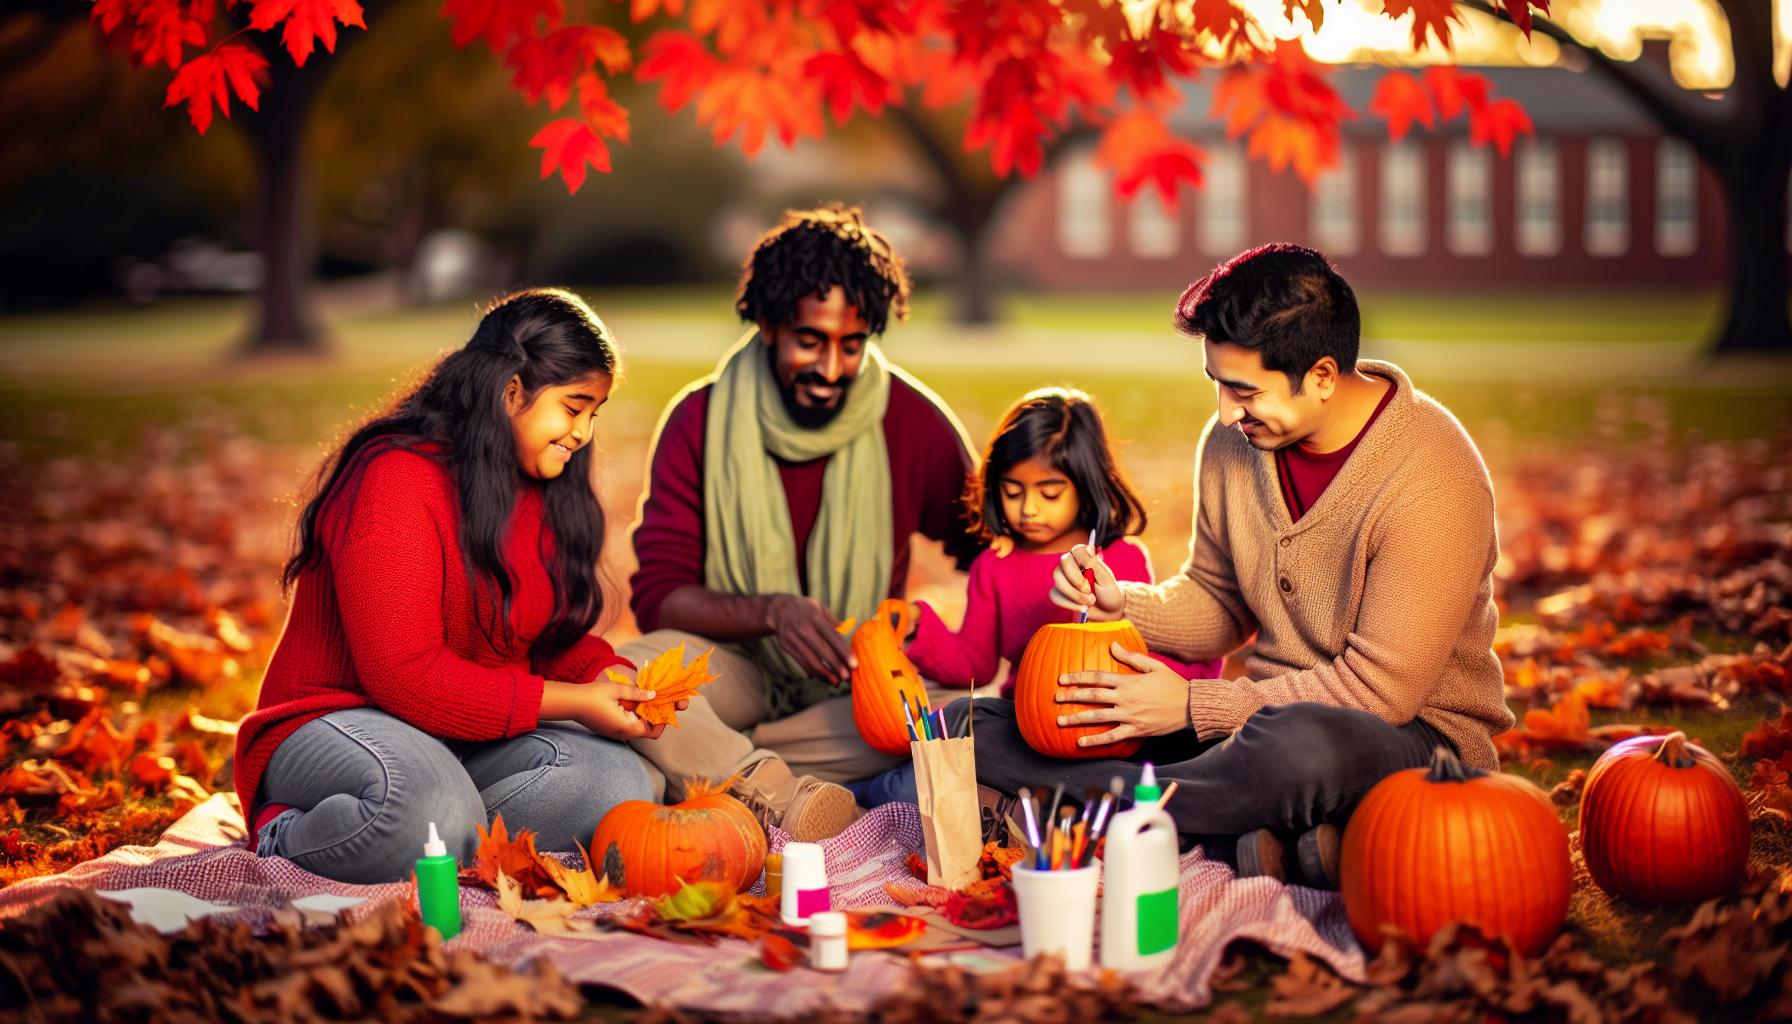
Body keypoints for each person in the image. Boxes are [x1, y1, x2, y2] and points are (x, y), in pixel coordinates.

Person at [954, 244, 1513, 888]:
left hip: (1408, 741)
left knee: (1296, 751)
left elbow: (1380, 692)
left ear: (1323, 375)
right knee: (979, 723)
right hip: (1248, 726)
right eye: (1218, 384)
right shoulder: (1233, 443)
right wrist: (1123, 605)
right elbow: (1217, 603)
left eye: (1244, 390)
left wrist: (1191, 707)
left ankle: (1090, 807)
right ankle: (1269, 835)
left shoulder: (1431, 474)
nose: (1225, 412)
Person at [236, 289, 668, 884]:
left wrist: (603, 674)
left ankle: (437, 827)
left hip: (456, 735)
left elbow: (544, 637)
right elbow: (403, 676)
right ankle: (293, 829)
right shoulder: (395, 479)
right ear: (511, 390)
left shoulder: (538, 485)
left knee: (622, 783)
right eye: (573, 408)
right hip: (339, 719)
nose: (583, 432)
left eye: (594, 413)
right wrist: (571, 703)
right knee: (426, 810)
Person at [623, 204, 980, 841]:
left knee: (972, 717)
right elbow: (659, 598)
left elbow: (991, 550)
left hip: (856, 680)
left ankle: (724, 758)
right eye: (810, 341)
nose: (833, 369)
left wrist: (946, 641)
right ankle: (781, 795)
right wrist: (773, 612)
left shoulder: (912, 421)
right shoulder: (699, 422)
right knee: (630, 676)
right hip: (738, 667)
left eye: (853, 344)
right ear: (768, 325)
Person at [905, 387, 1222, 694]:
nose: (1028, 509)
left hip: (1105, 707)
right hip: (1026, 712)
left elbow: (1133, 650)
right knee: (972, 719)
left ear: (1085, 486)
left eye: (1050, 494)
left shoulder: (1119, 557)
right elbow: (976, 665)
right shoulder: (992, 569)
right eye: (1013, 492)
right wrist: (920, 626)